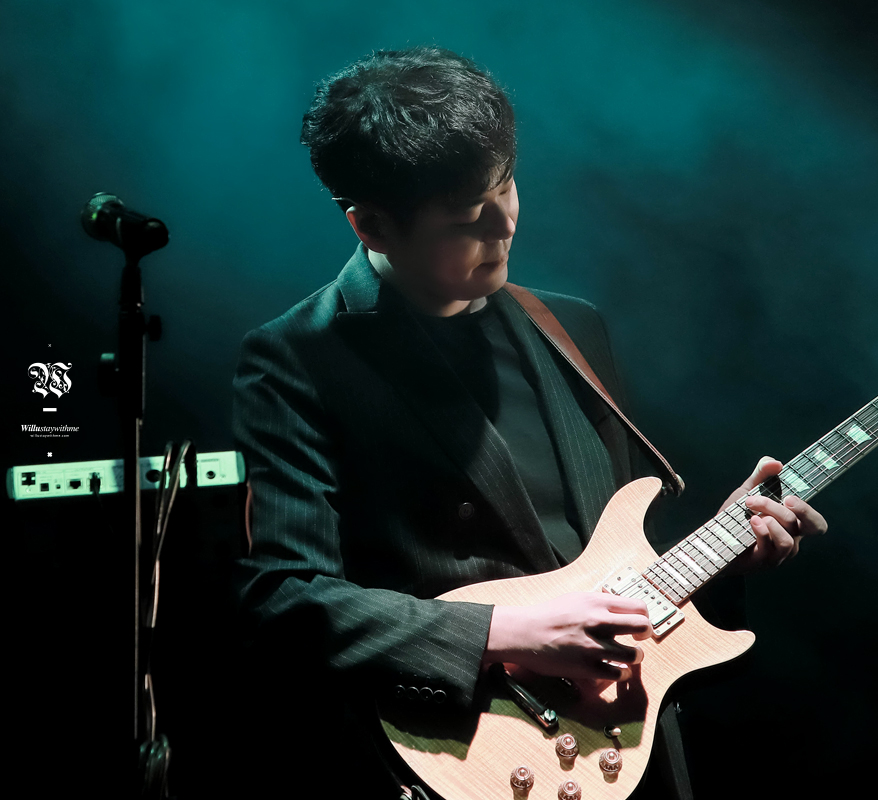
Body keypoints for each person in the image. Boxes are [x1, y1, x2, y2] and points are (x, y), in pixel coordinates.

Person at [232, 47, 826, 799]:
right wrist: (507, 633)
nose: (505, 221)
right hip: (468, 760)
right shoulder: (297, 359)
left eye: (506, 183)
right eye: (467, 215)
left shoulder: (574, 329)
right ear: (373, 225)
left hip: (627, 752)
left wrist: (725, 556)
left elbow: (617, 576)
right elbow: (283, 600)